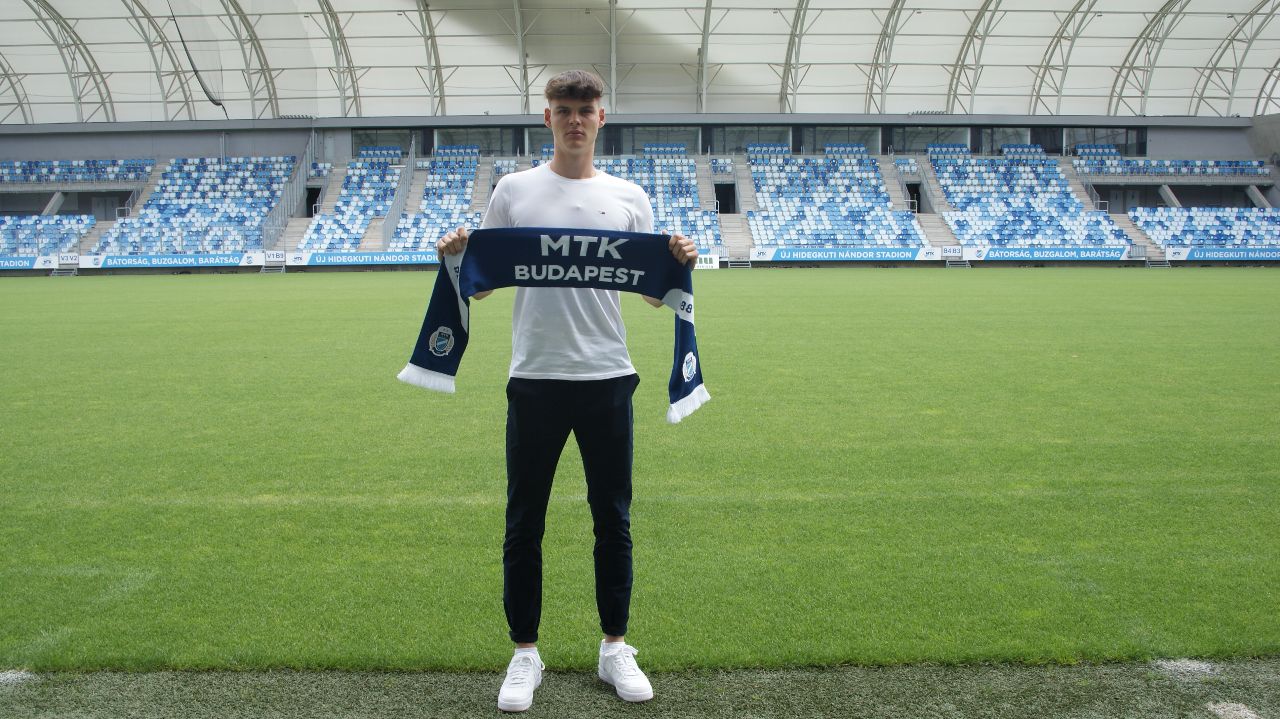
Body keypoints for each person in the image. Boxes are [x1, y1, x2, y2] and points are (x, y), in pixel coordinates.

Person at [435, 69, 698, 713]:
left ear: (602, 117)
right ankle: (525, 653)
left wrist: (679, 262)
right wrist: (455, 254)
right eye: (563, 109)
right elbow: (482, 284)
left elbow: (650, 293)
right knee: (524, 522)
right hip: (534, 378)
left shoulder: (629, 197)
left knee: (613, 520)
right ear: (547, 116)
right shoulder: (514, 190)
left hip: (608, 375)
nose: (575, 119)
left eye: (585, 109)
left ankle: (615, 647)